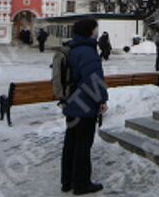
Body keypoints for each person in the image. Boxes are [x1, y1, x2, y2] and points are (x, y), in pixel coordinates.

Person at [61, 19, 108, 195]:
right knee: (83, 145)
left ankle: (67, 181)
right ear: (90, 31)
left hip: (71, 103)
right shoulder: (88, 52)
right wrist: (101, 100)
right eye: (96, 28)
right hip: (84, 105)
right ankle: (81, 183)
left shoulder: (72, 48)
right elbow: (93, 80)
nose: (97, 31)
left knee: (71, 142)